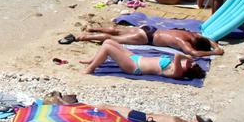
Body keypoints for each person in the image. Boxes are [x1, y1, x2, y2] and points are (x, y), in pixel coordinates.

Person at [62, 24, 222, 57]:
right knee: (113, 38)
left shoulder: (193, 34)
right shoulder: (185, 42)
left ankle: (92, 27)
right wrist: (214, 52)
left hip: (150, 28)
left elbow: (208, 39)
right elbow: (192, 52)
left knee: (116, 29)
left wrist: (215, 45)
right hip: (147, 37)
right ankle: (79, 37)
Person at [82, 41, 201, 81]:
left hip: (134, 67)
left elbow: (177, 56)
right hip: (136, 58)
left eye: (190, 64)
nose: (188, 62)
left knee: (108, 48)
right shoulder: (177, 66)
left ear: (188, 70)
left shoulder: (178, 72)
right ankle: (93, 60)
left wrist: (188, 58)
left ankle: (91, 68)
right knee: (108, 42)